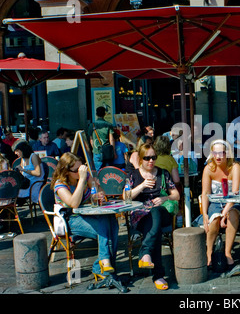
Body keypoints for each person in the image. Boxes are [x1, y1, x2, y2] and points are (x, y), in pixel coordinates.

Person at [51, 152, 119, 280]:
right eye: (76, 170)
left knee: (110, 220)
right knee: (105, 229)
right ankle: (103, 265)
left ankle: (105, 264)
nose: (79, 172)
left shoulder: (85, 176)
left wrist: (97, 194)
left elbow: (101, 193)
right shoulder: (60, 185)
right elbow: (74, 203)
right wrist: (82, 180)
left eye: (81, 168)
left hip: (88, 215)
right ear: (66, 171)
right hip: (70, 220)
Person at [124, 143, 180, 290]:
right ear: (141, 158)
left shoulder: (162, 173)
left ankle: (145, 252)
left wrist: (165, 199)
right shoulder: (133, 175)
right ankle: (158, 275)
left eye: (153, 157)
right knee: (153, 229)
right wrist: (142, 186)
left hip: (161, 212)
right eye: (147, 158)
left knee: (155, 211)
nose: (151, 161)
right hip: (140, 216)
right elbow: (126, 197)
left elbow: (176, 195)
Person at [197, 139, 240, 269]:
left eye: (221, 153)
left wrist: (225, 213)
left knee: (233, 214)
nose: (217, 156)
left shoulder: (234, 167)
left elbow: (235, 193)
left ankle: (227, 252)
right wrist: (204, 214)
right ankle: (209, 252)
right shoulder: (209, 169)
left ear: (227, 153)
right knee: (214, 220)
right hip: (216, 202)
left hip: (232, 202)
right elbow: (205, 193)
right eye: (214, 153)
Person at [88, 106, 115, 171]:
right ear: (105, 114)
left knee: (98, 171)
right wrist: (113, 151)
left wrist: (94, 148)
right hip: (107, 151)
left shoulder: (92, 125)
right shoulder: (109, 125)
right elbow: (111, 139)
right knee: (108, 171)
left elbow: (91, 139)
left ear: (96, 114)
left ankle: (99, 181)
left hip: (96, 150)